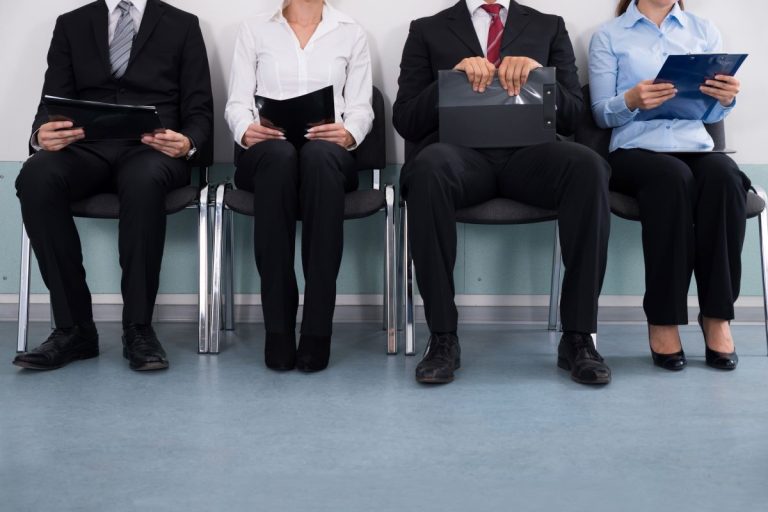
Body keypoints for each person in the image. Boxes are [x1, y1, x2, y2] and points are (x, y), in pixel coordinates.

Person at [394, 0, 613, 385]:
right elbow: (407, 119)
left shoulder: (549, 26)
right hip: (460, 159)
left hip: (532, 158)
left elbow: (575, 114)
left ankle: (578, 337)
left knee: (588, 167)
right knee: (426, 170)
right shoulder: (426, 29)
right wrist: (452, 77)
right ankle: (443, 337)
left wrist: (539, 76)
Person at [13, 0, 213, 372]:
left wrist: (188, 143)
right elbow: (50, 100)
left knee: (143, 181)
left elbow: (199, 108)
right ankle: (74, 329)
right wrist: (41, 134)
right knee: (37, 176)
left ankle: (138, 328)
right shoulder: (71, 23)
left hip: (153, 149)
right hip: (85, 148)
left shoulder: (183, 24)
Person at [589, 0, 746, 371]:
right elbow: (599, 111)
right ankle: (663, 318)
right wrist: (630, 100)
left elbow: (715, 111)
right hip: (635, 151)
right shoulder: (609, 36)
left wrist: (726, 99)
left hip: (694, 146)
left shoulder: (703, 31)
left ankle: (717, 316)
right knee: (672, 179)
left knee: (725, 177)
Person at [224, 0, 373, 372]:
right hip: (266, 155)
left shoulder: (350, 31)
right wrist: (246, 129)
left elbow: (361, 106)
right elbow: (236, 102)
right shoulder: (254, 29)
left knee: (318, 156)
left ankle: (317, 330)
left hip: (328, 157)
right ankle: (278, 328)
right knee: (279, 156)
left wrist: (348, 132)